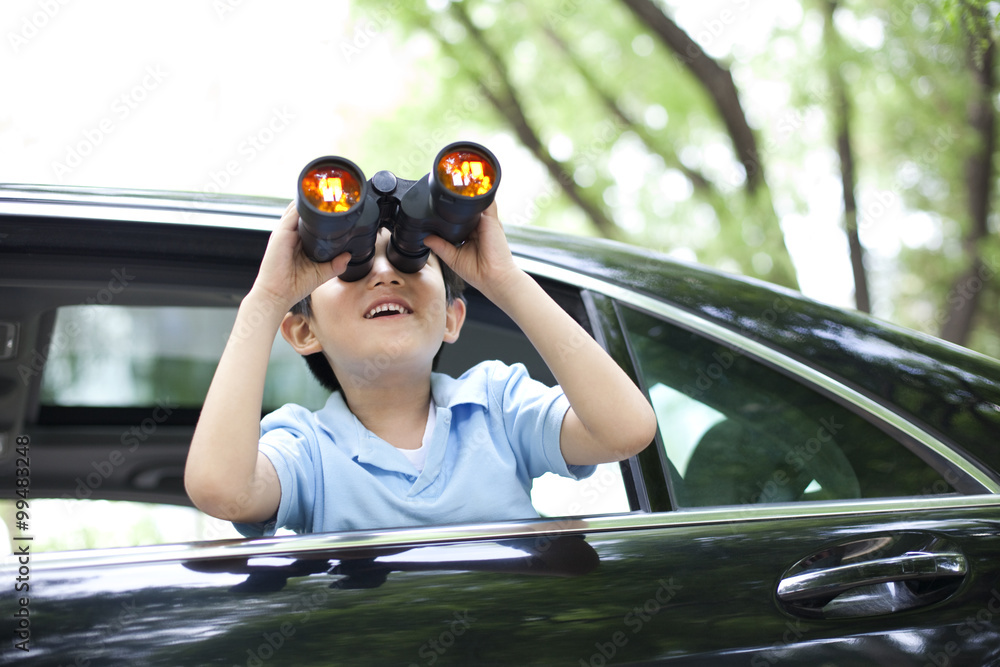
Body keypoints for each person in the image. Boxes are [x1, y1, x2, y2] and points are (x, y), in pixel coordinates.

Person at [184, 198, 658, 536]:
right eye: (350, 265)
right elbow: (223, 491)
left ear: (451, 318)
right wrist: (265, 301)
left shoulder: (496, 403)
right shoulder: (307, 449)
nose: (386, 272)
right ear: (304, 332)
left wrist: (505, 280)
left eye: (412, 260)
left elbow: (625, 430)